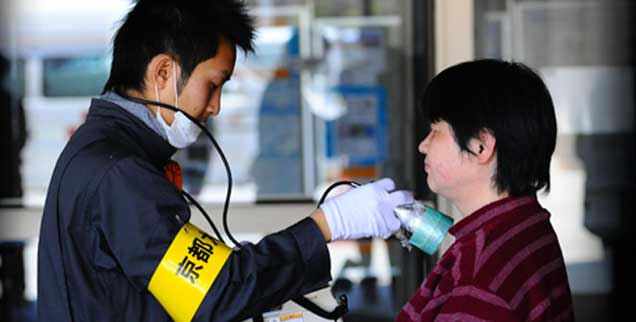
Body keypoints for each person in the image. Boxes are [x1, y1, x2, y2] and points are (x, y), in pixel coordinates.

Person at [37, 1, 413, 322]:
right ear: (163, 72)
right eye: (213, 85)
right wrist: (327, 225)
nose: (215, 106)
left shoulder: (109, 152)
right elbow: (212, 293)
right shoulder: (119, 173)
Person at [395, 59, 574, 322]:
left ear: (481, 146)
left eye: (436, 130)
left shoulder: (481, 276)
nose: (423, 145)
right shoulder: (526, 224)